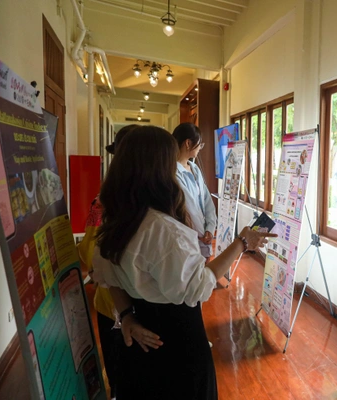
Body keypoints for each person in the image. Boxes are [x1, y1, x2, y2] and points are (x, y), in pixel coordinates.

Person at [92, 126, 276, 400]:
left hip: (140, 341)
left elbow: (108, 279)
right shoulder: (163, 231)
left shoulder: (114, 223)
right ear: (157, 170)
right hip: (178, 346)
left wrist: (127, 315)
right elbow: (199, 287)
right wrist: (242, 242)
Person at [77, 124, 138, 399]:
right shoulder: (159, 200)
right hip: (148, 303)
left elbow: (88, 252)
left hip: (109, 302)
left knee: (116, 366)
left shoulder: (102, 201)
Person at [173, 123, 217, 262]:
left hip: (203, 236)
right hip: (189, 237)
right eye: (199, 144)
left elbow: (207, 200)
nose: (199, 148)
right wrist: (203, 234)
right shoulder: (174, 173)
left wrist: (210, 228)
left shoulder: (194, 168)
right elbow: (189, 208)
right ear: (188, 143)